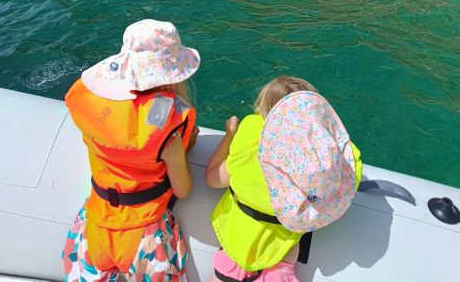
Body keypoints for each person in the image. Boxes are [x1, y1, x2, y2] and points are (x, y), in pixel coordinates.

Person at [62, 19, 200, 282]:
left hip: (95, 226)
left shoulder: (96, 111)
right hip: (145, 235)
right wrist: (185, 146)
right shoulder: (168, 129)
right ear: (172, 77)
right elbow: (182, 189)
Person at [206, 76, 363, 282]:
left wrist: (229, 135)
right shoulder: (312, 163)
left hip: (236, 246)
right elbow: (350, 163)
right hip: (282, 254)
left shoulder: (250, 142)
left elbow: (212, 178)